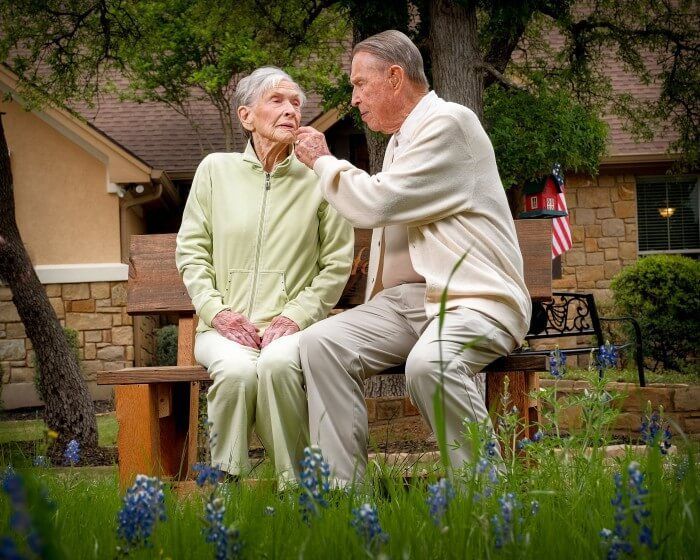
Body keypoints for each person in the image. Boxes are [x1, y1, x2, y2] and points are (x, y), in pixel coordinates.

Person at [294, 30, 531, 486]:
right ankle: (344, 494)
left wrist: (323, 161)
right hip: (414, 300)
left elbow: (376, 203)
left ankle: (484, 498)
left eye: (361, 84)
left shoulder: (450, 125)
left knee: (432, 364)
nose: (354, 97)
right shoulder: (403, 139)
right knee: (320, 345)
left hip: (476, 301)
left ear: (395, 77)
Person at [176, 67, 354, 486]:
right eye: (277, 100)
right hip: (223, 329)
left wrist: (295, 316)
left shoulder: (320, 178)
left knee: (276, 367)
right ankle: (225, 484)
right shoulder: (215, 170)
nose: (290, 110)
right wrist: (217, 313)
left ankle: (299, 486)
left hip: (292, 328)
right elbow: (192, 251)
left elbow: (336, 263)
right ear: (246, 116)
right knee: (236, 373)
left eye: (296, 103)